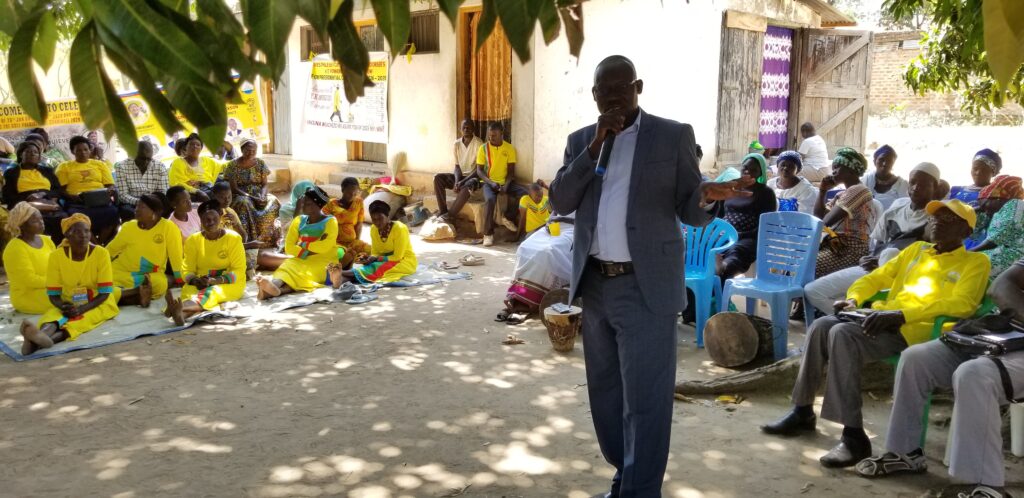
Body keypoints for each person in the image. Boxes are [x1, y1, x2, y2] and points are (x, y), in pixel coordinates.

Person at [548, 55, 751, 497]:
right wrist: (593, 149)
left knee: (646, 402)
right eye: (606, 87)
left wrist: (707, 198)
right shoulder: (582, 140)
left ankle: (641, 492)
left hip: (645, 287)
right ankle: (626, 477)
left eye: (624, 85)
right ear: (595, 95)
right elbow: (560, 200)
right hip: (596, 287)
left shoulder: (672, 136)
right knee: (606, 396)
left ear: (638, 87)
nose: (616, 94)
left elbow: (689, 204)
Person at [761, 199, 990, 468]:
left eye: (947, 219)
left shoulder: (975, 262)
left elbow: (962, 305)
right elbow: (876, 278)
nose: (936, 222)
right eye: (934, 217)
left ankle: (854, 436)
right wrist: (854, 300)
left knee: (842, 334)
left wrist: (903, 315)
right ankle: (802, 410)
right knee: (823, 326)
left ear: (966, 231)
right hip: (881, 320)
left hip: (917, 333)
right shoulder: (916, 250)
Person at [854, 260, 1024, 498]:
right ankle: (905, 453)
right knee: (916, 358)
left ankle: (983, 484)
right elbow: (1001, 285)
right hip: (1002, 335)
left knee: (975, 375)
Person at [804, 162, 942, 315]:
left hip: (907, 277)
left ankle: (859, 320)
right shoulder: (898, 206)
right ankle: (856, 318)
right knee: (812, 291)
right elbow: (878, 243)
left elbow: (934, 258)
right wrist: (871, 258)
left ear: (935, 188)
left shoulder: (938, 218)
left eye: (923, 184)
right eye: (913, 182)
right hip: (876, 268)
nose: (916, 188)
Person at [18, 214, 121, 355]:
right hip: (69, 300)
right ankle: (41, 335)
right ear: (67, 235)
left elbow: (105, 292)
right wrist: (62, 305)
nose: (84, 235)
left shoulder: (101, 254)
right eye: (77, 232)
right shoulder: (56, 256)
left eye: (86, 231)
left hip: (98, 301)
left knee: (82, 320)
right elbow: (53, 293)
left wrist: (81, 309)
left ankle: (36, 344)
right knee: (53, 315)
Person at [166, 200, 246, 324]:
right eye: (206, 219)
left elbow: (239, 270)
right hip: (201, 282)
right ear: (200, 220)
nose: (210, 222)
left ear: (220, 217)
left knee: (210, 292)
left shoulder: (233, 239)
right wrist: (195, 280)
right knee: (190, 291)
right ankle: (180, 315)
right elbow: (187, 269)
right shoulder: (193, 240)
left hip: (229, 283)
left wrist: (217, 281)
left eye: (214, 218)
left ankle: (179, 309)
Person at [256, 186, 340, 300]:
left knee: (301, 274)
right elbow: (289, 247)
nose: (303, 206)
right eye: (302, 202)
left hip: (324, 261)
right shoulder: (299, 220)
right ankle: (273, 287)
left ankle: (271, 290)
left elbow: (325, 246)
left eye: (308, 203)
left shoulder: (330, 221)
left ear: (318, 205)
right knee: (287, 266)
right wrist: (308, 251)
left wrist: (303, 245)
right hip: (301, 258)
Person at [106, 194, 184, 308]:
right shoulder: (128, 226)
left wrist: (179, 278)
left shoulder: (168, 227)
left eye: (141, 207)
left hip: (149, 275)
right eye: (137, 206)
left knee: (160, 284)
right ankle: (136, 295)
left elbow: (176, 256)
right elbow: (110, 250)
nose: (136, 210)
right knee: (102, 282)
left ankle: (124, 296)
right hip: (121, 272)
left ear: (155, 212)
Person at [498, 213, 575, 324]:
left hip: (575, 229)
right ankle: (518, 297)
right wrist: (549, 223)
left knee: (547, 252)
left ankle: (526, 304)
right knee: (525, 247)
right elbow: (554, 211)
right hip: (554, 226)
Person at [813, 147, 877, 278]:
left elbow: (825, 222)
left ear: (851, 169)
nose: (833, 172)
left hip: (851, 249)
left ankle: (802, 297)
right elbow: (818, 217)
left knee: (807, 265)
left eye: (837, 167)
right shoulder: (842, 194)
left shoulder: (859, 190)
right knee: (798, 260)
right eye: (833, 168)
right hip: (836, 245)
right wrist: (822, 191)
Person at [717, 153, 778, 278]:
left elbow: (765, 223)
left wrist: (739, 235)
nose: (747, 171)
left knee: (734, 256)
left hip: (748, 238)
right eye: (745, 167)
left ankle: (719, 288)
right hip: (724, 235)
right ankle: (706, 291)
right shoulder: (730, 189)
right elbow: (718, 216)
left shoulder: (766, 193)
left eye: (753, 169)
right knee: (701, 253)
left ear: (760, 173)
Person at [55, 136, 119, 244]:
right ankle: (97, 246)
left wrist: (109, 191)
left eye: (85, 149)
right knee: (76, 217)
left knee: (113, 212)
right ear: (72, 151)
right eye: (78, 150)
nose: (83, 153)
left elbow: (110, 185)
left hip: (99, 200)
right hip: (77, 202)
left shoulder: (100, 164)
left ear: (90, 150)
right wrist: (71, 197)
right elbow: (60, 190)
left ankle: (100, 244)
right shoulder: (64, 167)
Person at [475, 122, 528, 247]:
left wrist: (506, 185)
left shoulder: (509, 148)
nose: (490, 138)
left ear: (501, 134)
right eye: (489, 135)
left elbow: (511, 172)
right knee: (490, 200)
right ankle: (488, 234)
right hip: (489, 182)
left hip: (506, 181)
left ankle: (508, 216)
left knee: (525, 194)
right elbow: (479, 171)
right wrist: (491, 183)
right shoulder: (483, 148)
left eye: (494, 135)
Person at [3, 141, 66, 242]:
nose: (32, 154)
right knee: (36, 221)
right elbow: (8, 197)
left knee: (63, 219)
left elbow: (58, 190)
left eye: (35, 152)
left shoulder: (47, 171)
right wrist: (28, 197)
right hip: (26, 205)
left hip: (47, 200)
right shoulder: (11, 173)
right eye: (28, 152)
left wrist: (43, 193)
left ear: (39, 156)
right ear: (21, 154)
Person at [344, 200, 418, 284]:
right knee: (370, 266)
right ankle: (339, 278)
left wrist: (377, 259)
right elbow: (375, 252)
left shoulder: (399, 228)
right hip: (386, 259)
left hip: (404, 261)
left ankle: (341, 273)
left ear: (387, 216)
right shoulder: (374, 229)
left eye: (380, 218)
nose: (377, 222)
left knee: (376, 267)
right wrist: (369, 258)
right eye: (374, 219)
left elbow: (397, 257)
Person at [2, 202, 57, 314]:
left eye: (41, 219)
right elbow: (29, 279)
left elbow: (58, 265)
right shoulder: (15, 248)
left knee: (82, 291)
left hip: (51, 287)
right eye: (35, 221)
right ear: (22, 225)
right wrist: (58, 282)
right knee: (71, 297)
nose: (41, 223)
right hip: (28, 295)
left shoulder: (47, 240)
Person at [223, 139, 281, 242]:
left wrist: (262, 196)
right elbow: (234, 188)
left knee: (274, 201)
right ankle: (249, 239)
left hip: (258, 193)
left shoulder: (260, 163)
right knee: (244, 203)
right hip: (240, 194)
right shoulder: (232, 165)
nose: (251, 153)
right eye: (248, 150)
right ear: (242, 149)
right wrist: (252, 197)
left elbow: (264, 184)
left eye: (254, 150)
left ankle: (270, 237)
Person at [971, 175, 1024, 278]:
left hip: (1016, 257)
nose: (985, 210)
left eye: (986, 205)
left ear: (999, 199)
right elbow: (972, 232)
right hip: (1005, 256)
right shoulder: (995, 211)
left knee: (973, 269)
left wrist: (969, 252)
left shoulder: (1015, 204)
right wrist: (977, 210)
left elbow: (1000, 236)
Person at [434, 119, 484, 221]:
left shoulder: (479, 143)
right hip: (460, 177)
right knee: (437, 178)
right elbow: (457, 167)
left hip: (474, 177)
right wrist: (457, 182)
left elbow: (479, 170)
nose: (466, 129)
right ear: (460, 129)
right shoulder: (456, 144)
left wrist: (462, 182)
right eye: (464, 127)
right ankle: (443, 211)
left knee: (468, 185)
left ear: (473, 129)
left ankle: (450, 216)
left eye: (469, 127)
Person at [114, 140, 169, 222]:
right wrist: (141, 203)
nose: (146, 162)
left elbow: (162, 192)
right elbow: (123, 195)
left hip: (154, 202)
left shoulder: (160, 166)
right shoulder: (122, 167)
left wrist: (150, 203)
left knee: (168, 209)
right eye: (142, 158)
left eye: (149, 159)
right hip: (132, 203)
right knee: (127, 211)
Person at [323, 177, 370, 269]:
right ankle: (338, 268)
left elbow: (359, 224)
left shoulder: (358, 202)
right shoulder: (331, 205)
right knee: (342, 255)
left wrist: (357, 241)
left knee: (372, 251)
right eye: (349, 192)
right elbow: (322, 224)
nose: (352, 195)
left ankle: (347, 264)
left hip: (351, 241)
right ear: (342, 190)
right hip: (335, 242)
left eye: (355, 193)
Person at [169, 133, 224, 201]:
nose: (195, 147)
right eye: (191, 144)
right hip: (191, 195)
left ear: (201, 148)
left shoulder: (206, 160)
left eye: (198, 145)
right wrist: (197, 191)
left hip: (209, 188)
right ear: (185, 148)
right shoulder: (177, 163)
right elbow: (176, 183)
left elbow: (223, 166)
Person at [862, 145, 908, 210]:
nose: (884, 164)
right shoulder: (865, 180)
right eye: (881, 160)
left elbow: (905, 208)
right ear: (874, 161)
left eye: (889, 161)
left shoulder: (902, 185)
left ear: (893, 163)